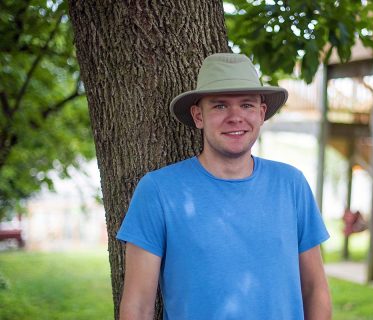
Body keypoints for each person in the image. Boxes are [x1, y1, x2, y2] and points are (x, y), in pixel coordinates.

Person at [117, 53, 332, 320]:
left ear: (262, 113)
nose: (235, 117)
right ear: (198, 116)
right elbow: (137, 306)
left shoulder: (291, 184)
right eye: (219, 106)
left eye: (247, 105)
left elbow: (315, 290)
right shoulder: (159, 191)